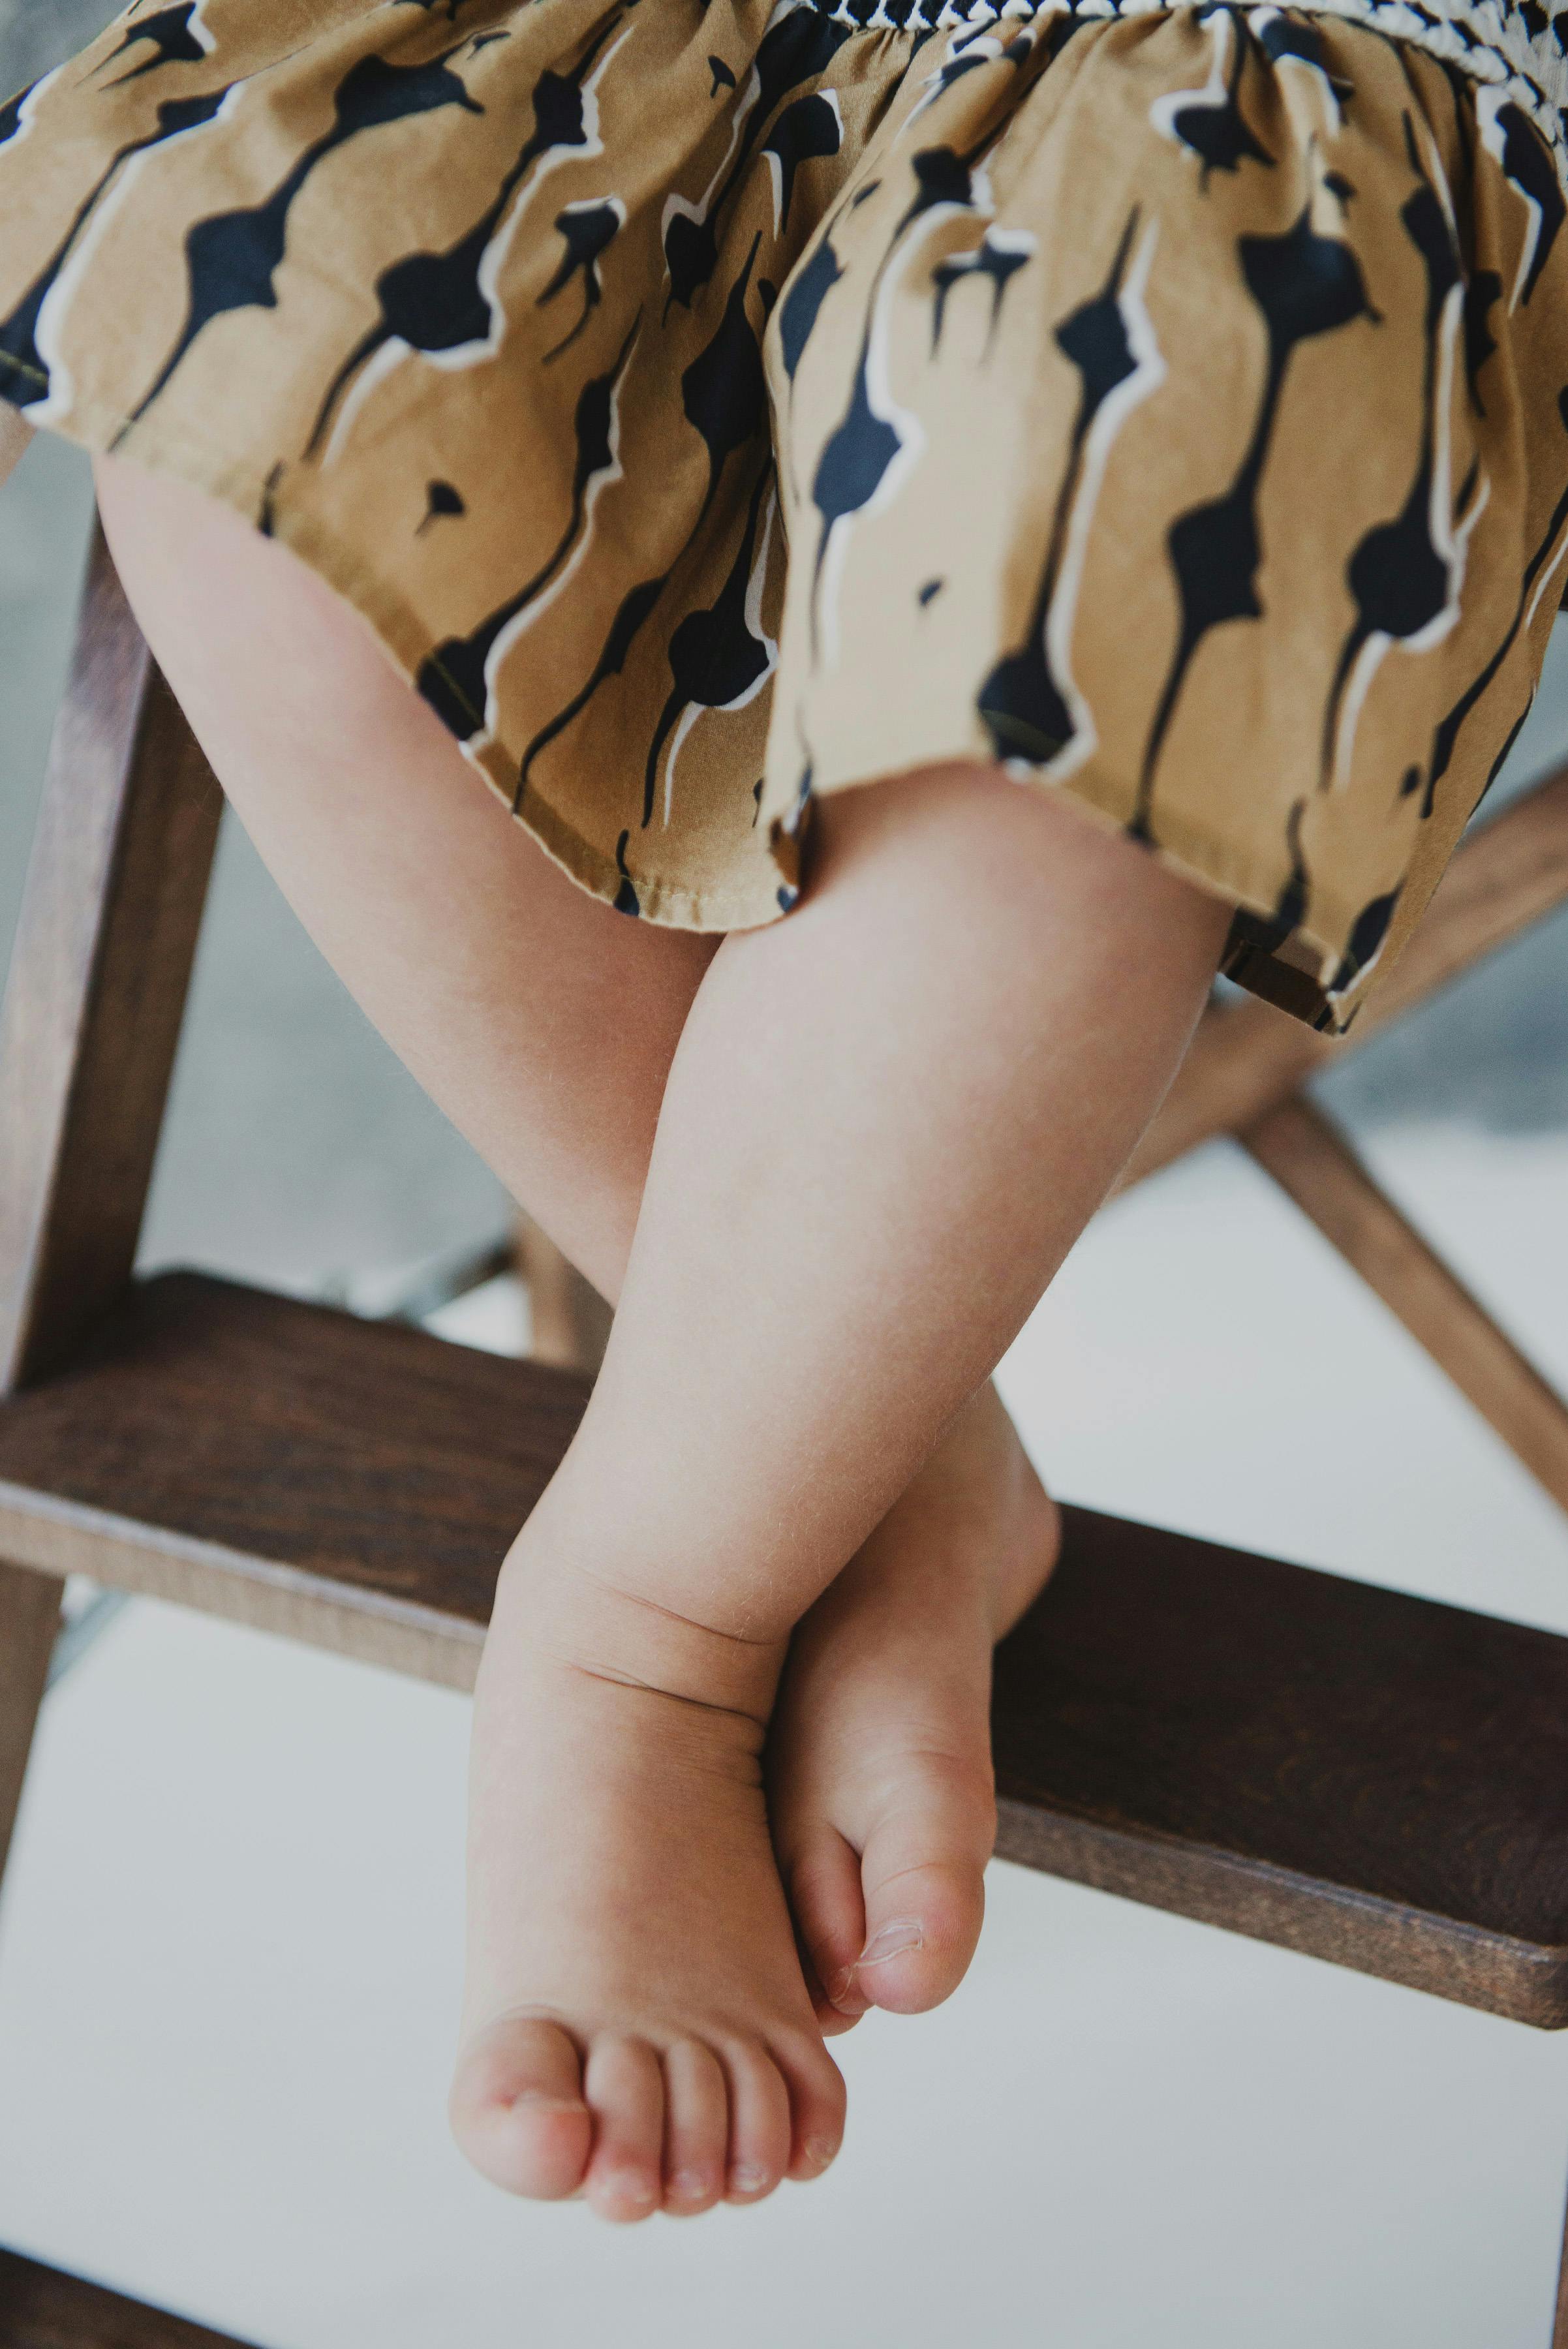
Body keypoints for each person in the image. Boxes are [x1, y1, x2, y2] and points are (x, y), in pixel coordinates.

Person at [1, 0, 1563, 2222]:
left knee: (1125, 484)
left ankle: (645, 1621)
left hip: (1264, 71)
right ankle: (883, 1453)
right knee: (232, 342)